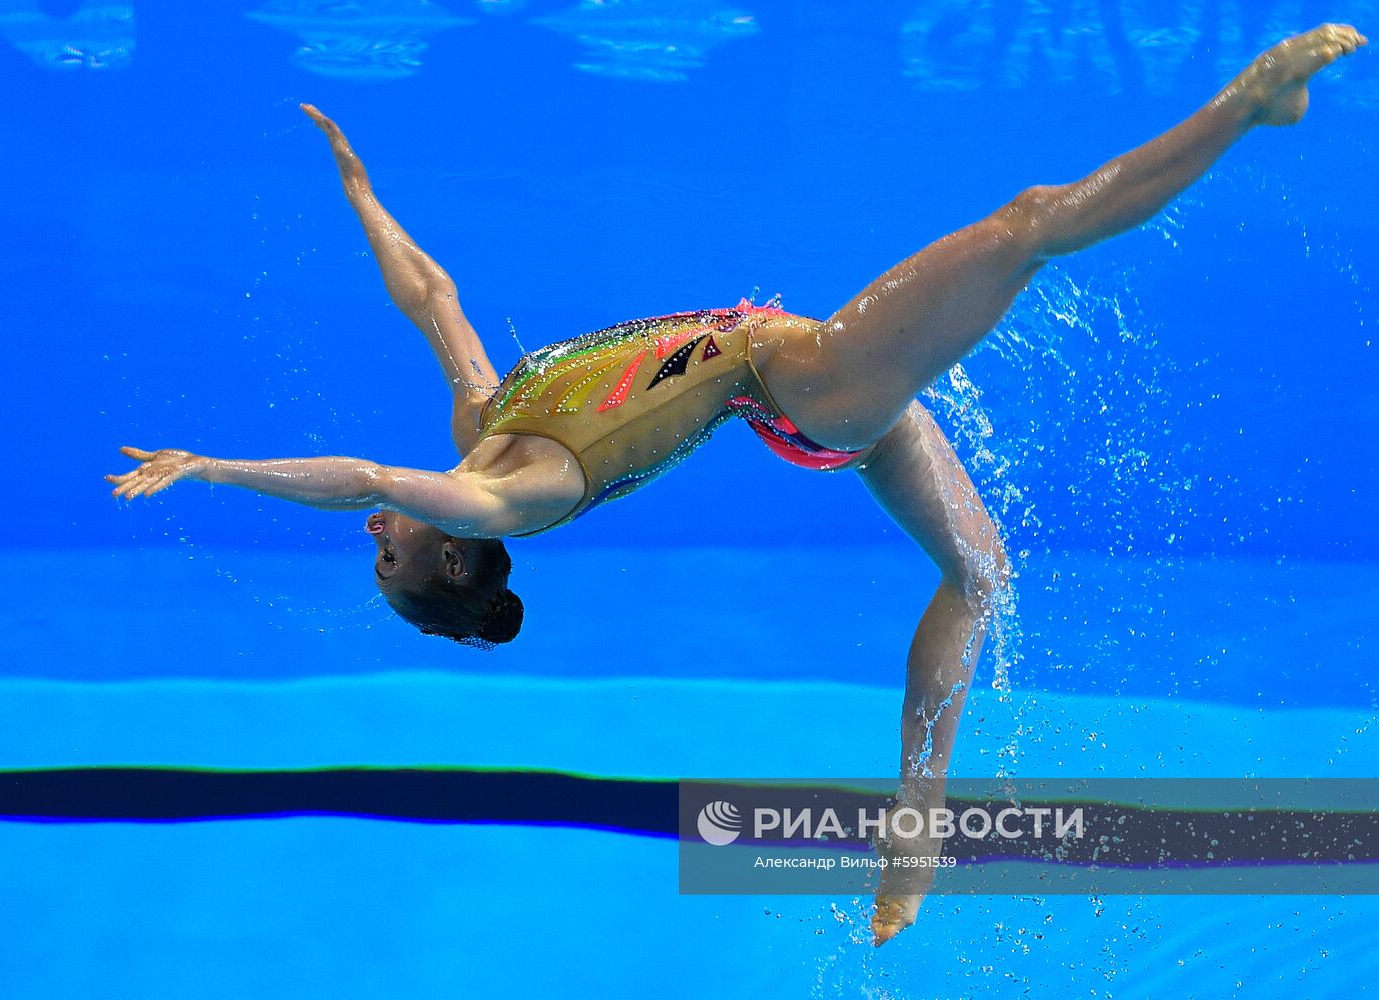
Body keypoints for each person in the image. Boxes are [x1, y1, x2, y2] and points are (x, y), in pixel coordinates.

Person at [107, 24, 1367, 945]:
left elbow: (430, 297)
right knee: (1026, 224)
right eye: (391, 555)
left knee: (977, 570)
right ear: (449, 555)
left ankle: (912, 828)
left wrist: (357, 191)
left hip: (807, 398)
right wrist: (213, 467)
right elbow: (364, 479)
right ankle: (1246, 109)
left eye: (377, 547)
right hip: (811, 385)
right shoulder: (517, 498)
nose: (380, 531)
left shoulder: (484, 422)